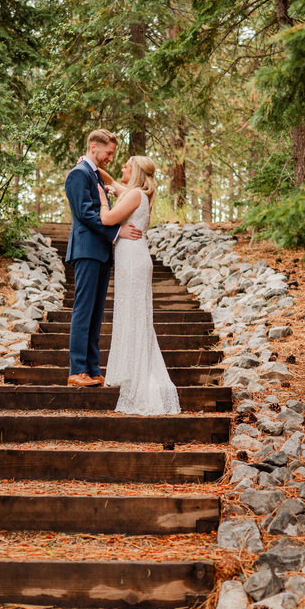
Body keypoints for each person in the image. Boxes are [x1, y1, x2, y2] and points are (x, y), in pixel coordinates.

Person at [94, 155, 180, 415]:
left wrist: (101, 198)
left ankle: (140, 381)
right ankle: (132, 371)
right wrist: (94, 168)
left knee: (134, 317)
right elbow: (113, 183)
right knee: (131, 316)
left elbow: (108, 219)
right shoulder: (136, 193)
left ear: (136, 172)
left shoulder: (134, 195)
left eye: (126, 166)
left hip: (133, 261)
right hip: (131, 259)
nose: (122, 168)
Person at [63, 130, 142, 387]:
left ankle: (93, 369)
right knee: (84, 309)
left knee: (96, 313)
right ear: (94, 147)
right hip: (86, 250)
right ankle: (77, 370)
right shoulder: (78, 175)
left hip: (101, 252)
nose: (110, 158)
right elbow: (85, 213)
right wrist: (117, 231)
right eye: (108, 153)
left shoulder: (94, 175)